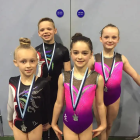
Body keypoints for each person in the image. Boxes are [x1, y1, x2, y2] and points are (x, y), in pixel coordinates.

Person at [88, 24, 140, 140]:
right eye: (106, 37)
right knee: (101, 125)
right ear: (101, 39)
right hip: (98, 98)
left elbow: (135, 75)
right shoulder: (94, 59)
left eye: (113, 37)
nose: (110, 40)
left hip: (114, 98)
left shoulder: (121, 59)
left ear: (118, 39)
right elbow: (81, 77)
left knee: (109, 125)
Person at [51, 33, 106, 140]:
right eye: (76, 53)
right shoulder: (63, 77)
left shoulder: (97, 78)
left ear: (91, 54)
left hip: (86, 124)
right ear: (71, 53)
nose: (80, 57)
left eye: (84, 53)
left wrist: (103, 124)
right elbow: (59, 102)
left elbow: (100, 104)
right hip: (68, 123)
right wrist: (53, 123)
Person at [7, 38, 51, 140]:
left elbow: (47, 105)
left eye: (32, 61)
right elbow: (10, 103)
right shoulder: (13, 82)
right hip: (18, 123)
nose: (28, 65)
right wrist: (9, 118)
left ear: (37, 61)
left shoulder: (43, 83)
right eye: (23, 61)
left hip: (36, 124)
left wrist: (48, 121)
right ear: (16, 62)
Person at [35, 17, 71, 140]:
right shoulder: (36, 51)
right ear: (39, 33)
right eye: (42, 30)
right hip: (40, 90)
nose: (46, 31)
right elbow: (33, 73)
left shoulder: (63, 50)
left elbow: (68, 73)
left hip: (57, 89)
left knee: (54, 119)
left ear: (55, 30)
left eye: (49, 29)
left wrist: (67, 91)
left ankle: (55, 137)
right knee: (43, 119)